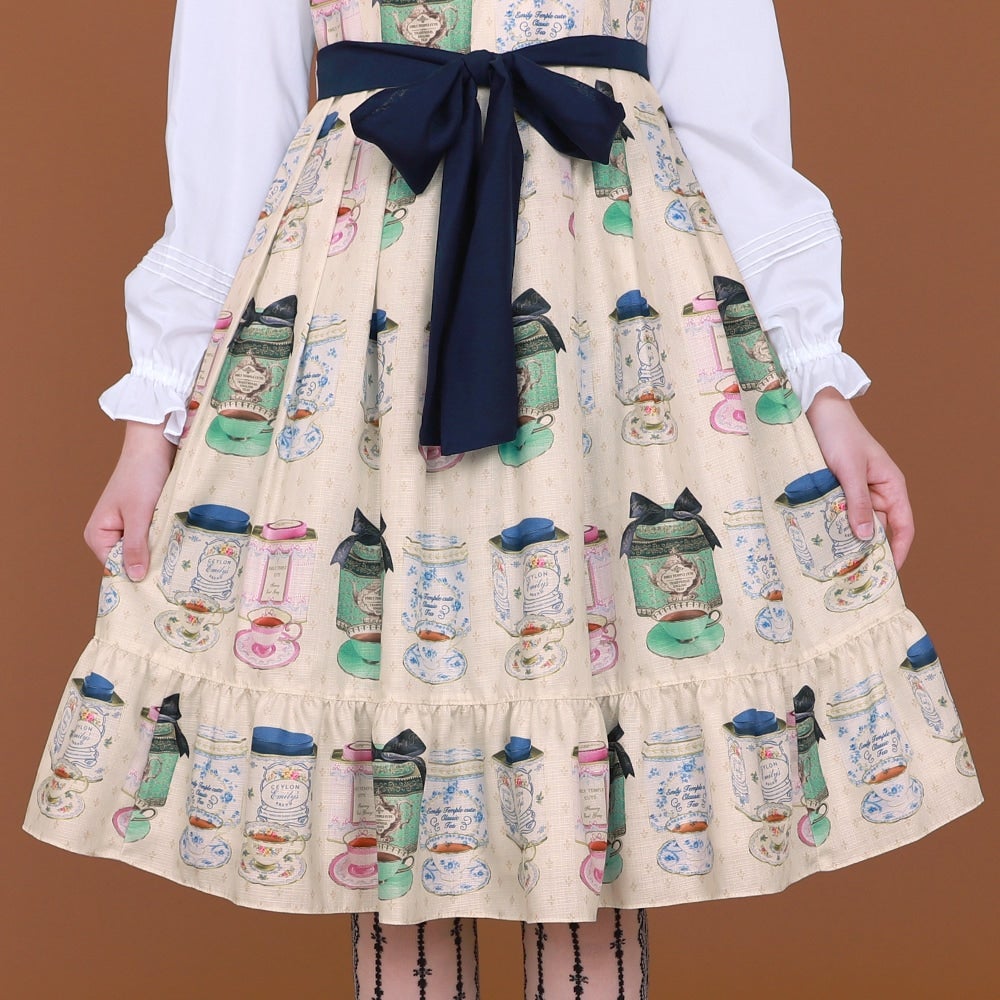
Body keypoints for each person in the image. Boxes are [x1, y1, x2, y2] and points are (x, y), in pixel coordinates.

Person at [23, 2, 983, 997]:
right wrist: (152, 420)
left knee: (588, 756)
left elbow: (733, 130)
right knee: (394, 752)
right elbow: (223, 141)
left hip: (609, 306)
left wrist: (821, 389)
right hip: (368, 319)